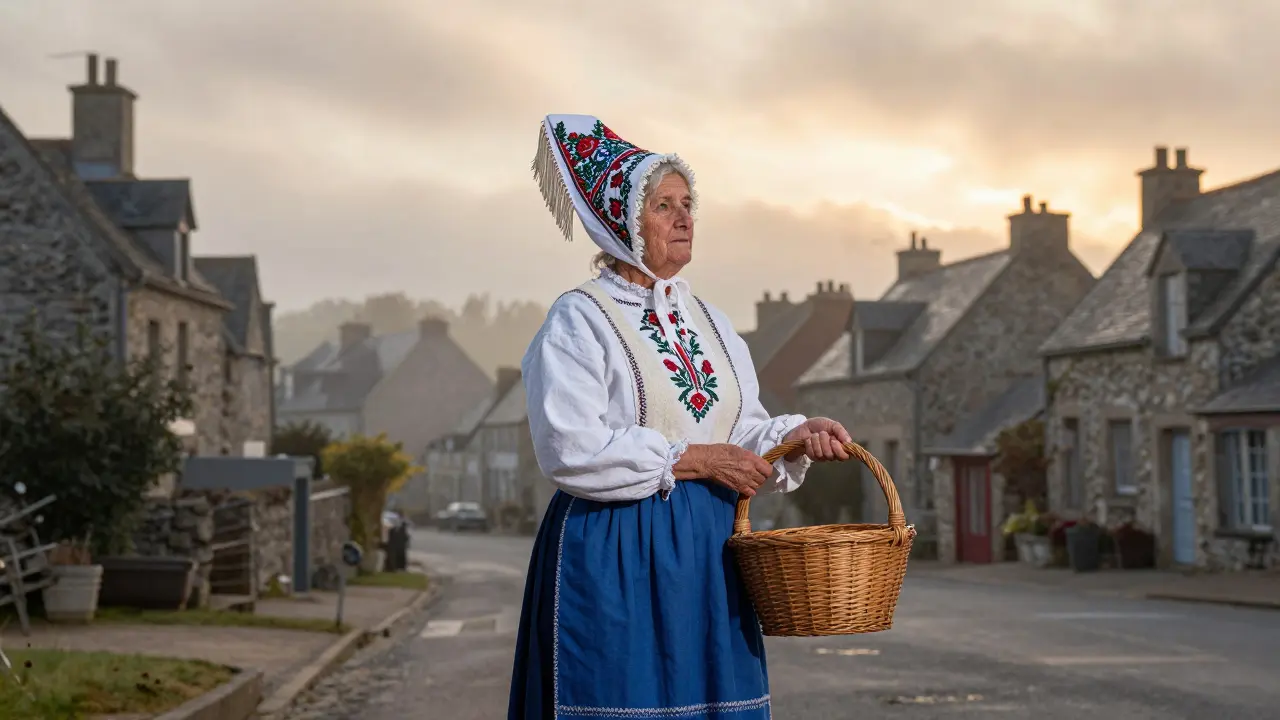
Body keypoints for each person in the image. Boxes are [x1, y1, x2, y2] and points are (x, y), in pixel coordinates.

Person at [508, 114, 853, 719]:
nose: (685, 218)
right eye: (664, 206)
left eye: (688, 204)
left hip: (712, 552)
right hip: (618, 548)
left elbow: (739, 431)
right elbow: (571, 448)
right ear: (623, 222)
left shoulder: (710, 323)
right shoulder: (579, 318)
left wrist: (792, 437)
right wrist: (694, 460)